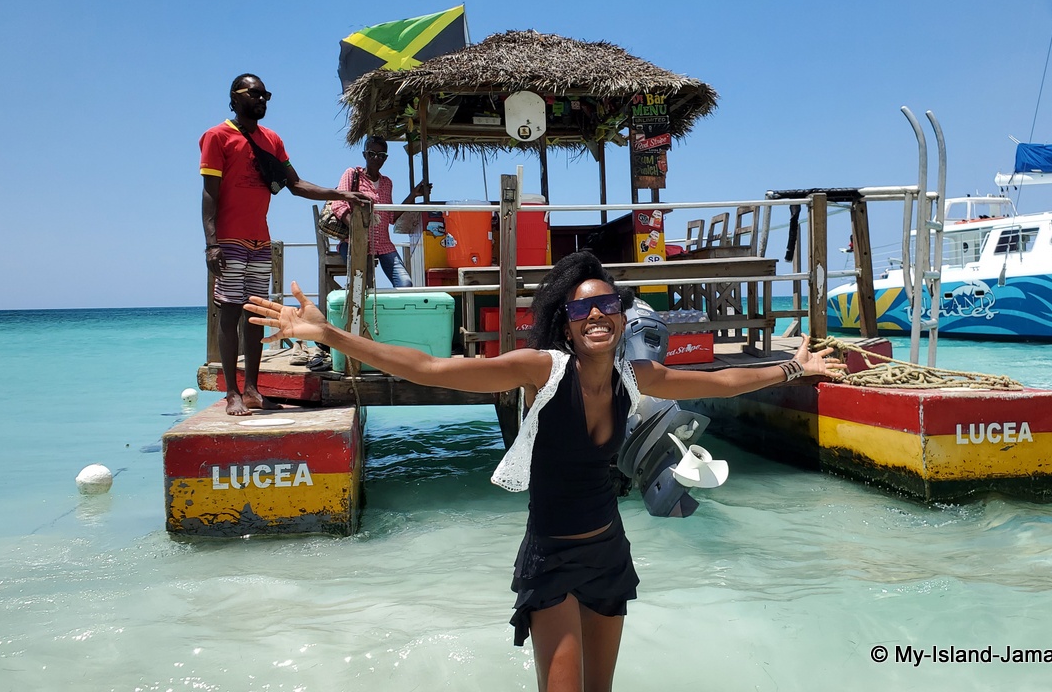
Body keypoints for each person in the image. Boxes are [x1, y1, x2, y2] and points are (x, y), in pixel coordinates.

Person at [243, 251, 846, 692]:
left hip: (608, 553)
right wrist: (331, 334)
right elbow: (429, 367)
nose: (597, 314)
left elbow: (722, 380)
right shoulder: (543, 370)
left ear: (622, 316)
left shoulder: (635, 377)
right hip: (552, 558)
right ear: (567, 322)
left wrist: (794, 370)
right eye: (583, 308)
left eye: (607, 304)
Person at [200, 73, 368, 415]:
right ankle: (232, 393)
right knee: (229, 313)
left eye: (266, 95)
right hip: (228, 240)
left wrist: (341, 194)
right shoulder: (217, 136)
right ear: (235, 97)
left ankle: (252, 390)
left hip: (260, 241)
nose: (262, 100)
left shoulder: (272, 139)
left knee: (255, 315)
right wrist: (211, 243)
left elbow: (296, 184)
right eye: (255, 94)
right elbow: (209, 194)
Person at [330, 135, 432, 288]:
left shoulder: (387, 183)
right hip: (354, 242)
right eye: (372, 154)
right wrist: (357, 229)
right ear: (365, 154)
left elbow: (390, 217)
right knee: (359, 286)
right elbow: (339, 204)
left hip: (383, 244)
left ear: (385, 158)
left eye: (381, 155)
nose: (376, 158)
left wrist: (413, 195)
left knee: (405, 284)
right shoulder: (352, 174)